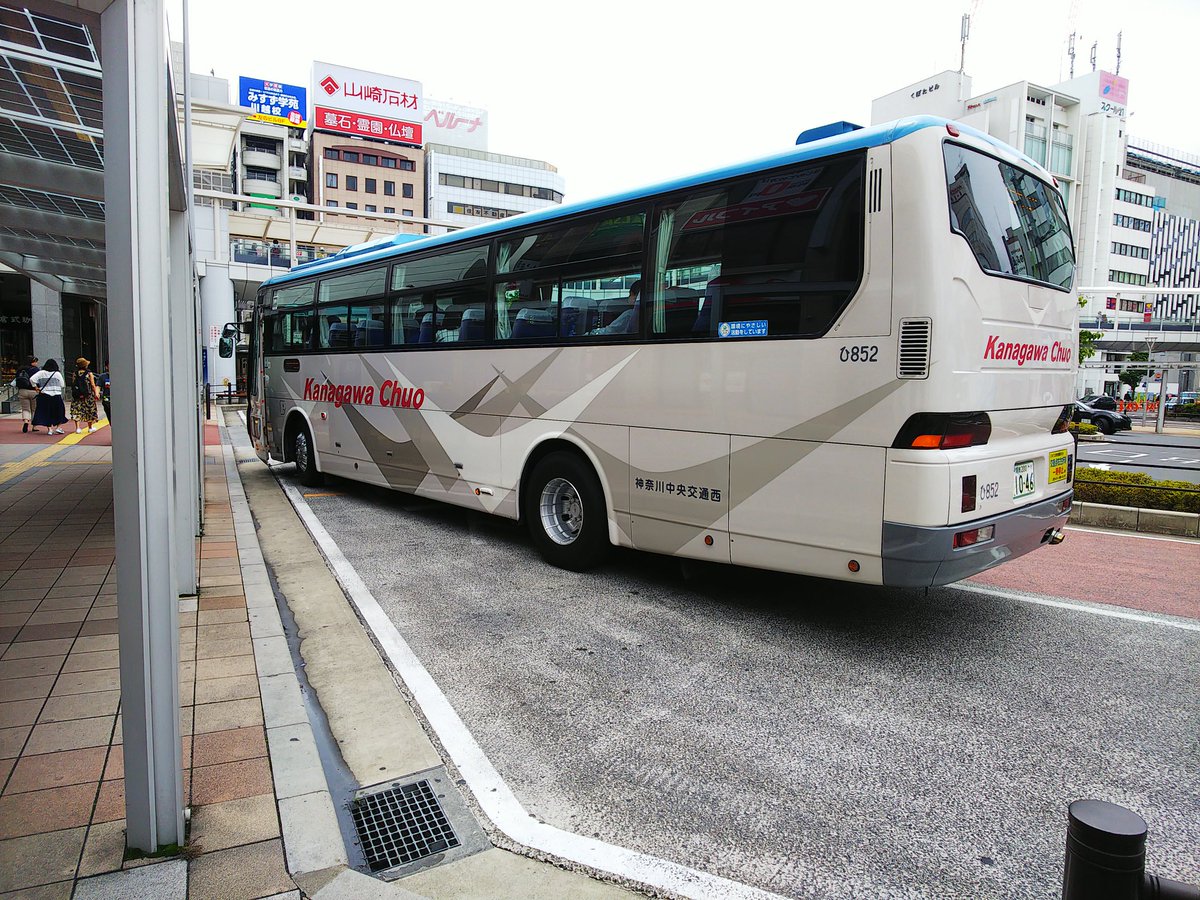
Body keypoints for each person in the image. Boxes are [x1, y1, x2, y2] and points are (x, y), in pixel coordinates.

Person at [29, 359, 67, 434]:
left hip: (44, 395)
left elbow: (31, 379)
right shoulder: (57, 374)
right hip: (56, 395)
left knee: (46, 412)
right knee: (59, 411)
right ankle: (58, 427)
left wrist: (36, 387)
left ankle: (49, 429)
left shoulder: (41, 373)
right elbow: (62, 385)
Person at [69, 357, 100, 433]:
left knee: (77, 410)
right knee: (89, 410)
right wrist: (96, 393)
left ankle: (78, 428)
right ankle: (90, 427)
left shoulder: (75, 373)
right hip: (88, 395)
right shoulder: (89, 373)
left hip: (77, 395)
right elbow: (92, 385)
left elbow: (73, 384)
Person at [12, 355, 40, 433]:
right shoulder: (36, 370)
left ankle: (26, 422)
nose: (36, 363)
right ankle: (34, 426)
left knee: (25, 409)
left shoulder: (20, 369)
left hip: (22, 391)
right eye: (35, 362)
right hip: (33, 391)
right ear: (32, 362)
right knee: (34, 409)